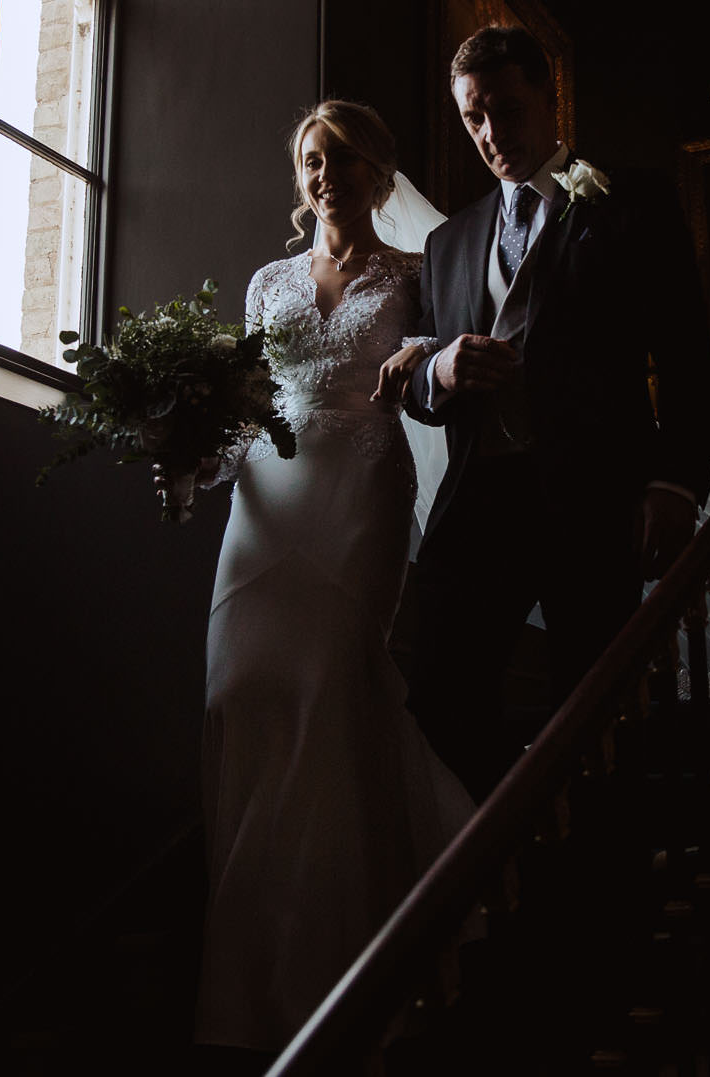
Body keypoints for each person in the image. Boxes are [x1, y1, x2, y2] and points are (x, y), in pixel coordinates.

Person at [190, 100, 467, 1060]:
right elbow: (244, 413)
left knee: (329, 690)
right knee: (240, 690)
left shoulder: (420, 274)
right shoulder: (269, 281)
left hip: (361, 491)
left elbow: (444, 378)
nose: (326, 174)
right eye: (313, 159)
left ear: (377, 173)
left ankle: (349, 951)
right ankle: (251, 963)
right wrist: (190, 465)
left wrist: (422, 352)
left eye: (344, 159)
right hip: (264, 504)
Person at [393, 24, 710, 803]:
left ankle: (595, 874)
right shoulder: (449, 241)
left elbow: (685, 353)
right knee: (430, 686)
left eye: (507, 108)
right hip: (481, 504)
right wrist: (442, 367)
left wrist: (675, 483)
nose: (492, 132)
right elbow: (416, 389)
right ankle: (514, 832)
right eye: (474, 116)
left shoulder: (632, 200)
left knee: (597, 705)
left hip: (596, 499)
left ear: (547, 95)